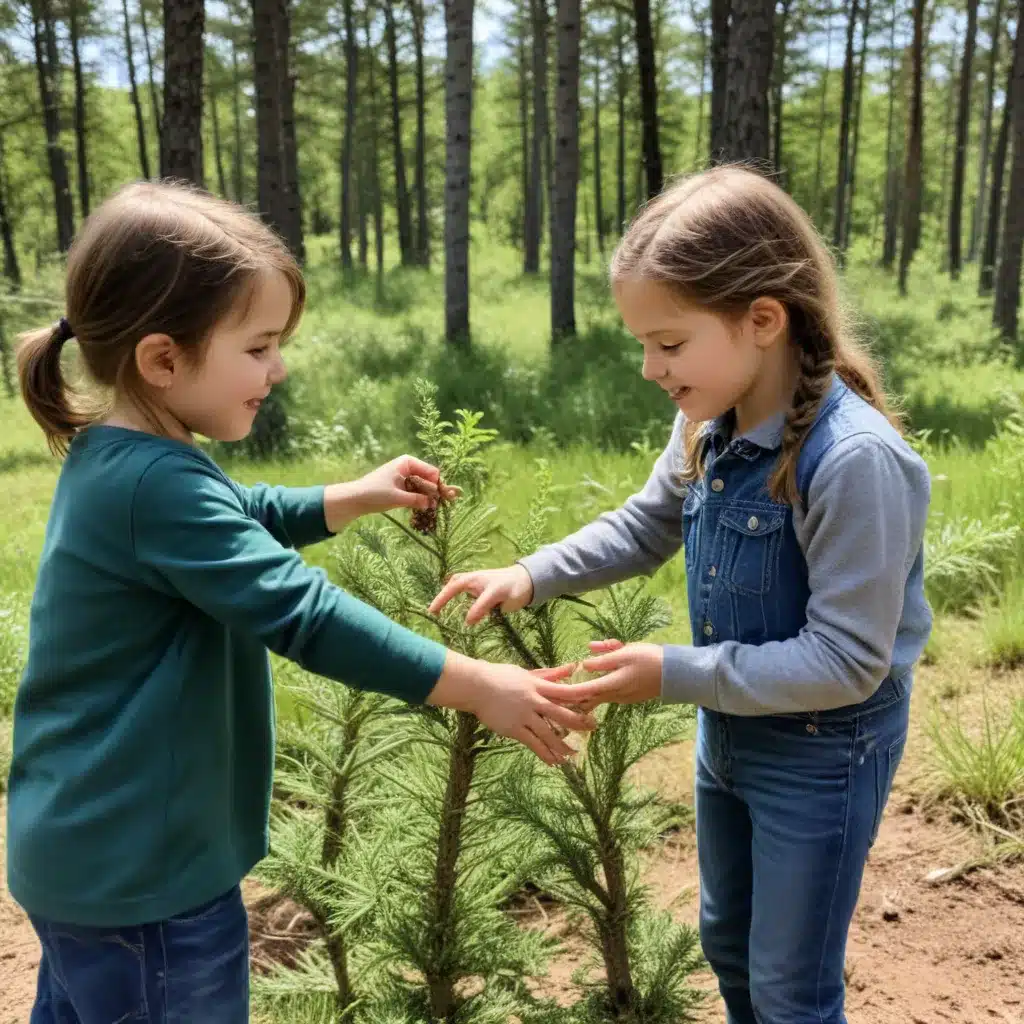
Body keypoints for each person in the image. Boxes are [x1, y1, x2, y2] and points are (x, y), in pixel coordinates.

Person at [8, 180, 592, 1024]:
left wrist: (347, 496)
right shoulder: (156, 484)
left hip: (86, 857)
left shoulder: (122, 457)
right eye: (258, 347)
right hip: (150, 886)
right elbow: (303, 614)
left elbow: (235, 515)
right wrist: (477, 683)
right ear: (163, 359)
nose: (277, 370)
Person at [429, 166, 932, 1024]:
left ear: (762, 320)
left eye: (668, 342)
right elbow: (647, 523)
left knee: (791, 988)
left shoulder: (852, 463)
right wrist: (532, 573)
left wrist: (671, 671)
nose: (649, 367)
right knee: (728, 945)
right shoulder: (707, 418)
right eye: (643, 343)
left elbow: (850, 659)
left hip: (822, 753)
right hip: (730, 740)